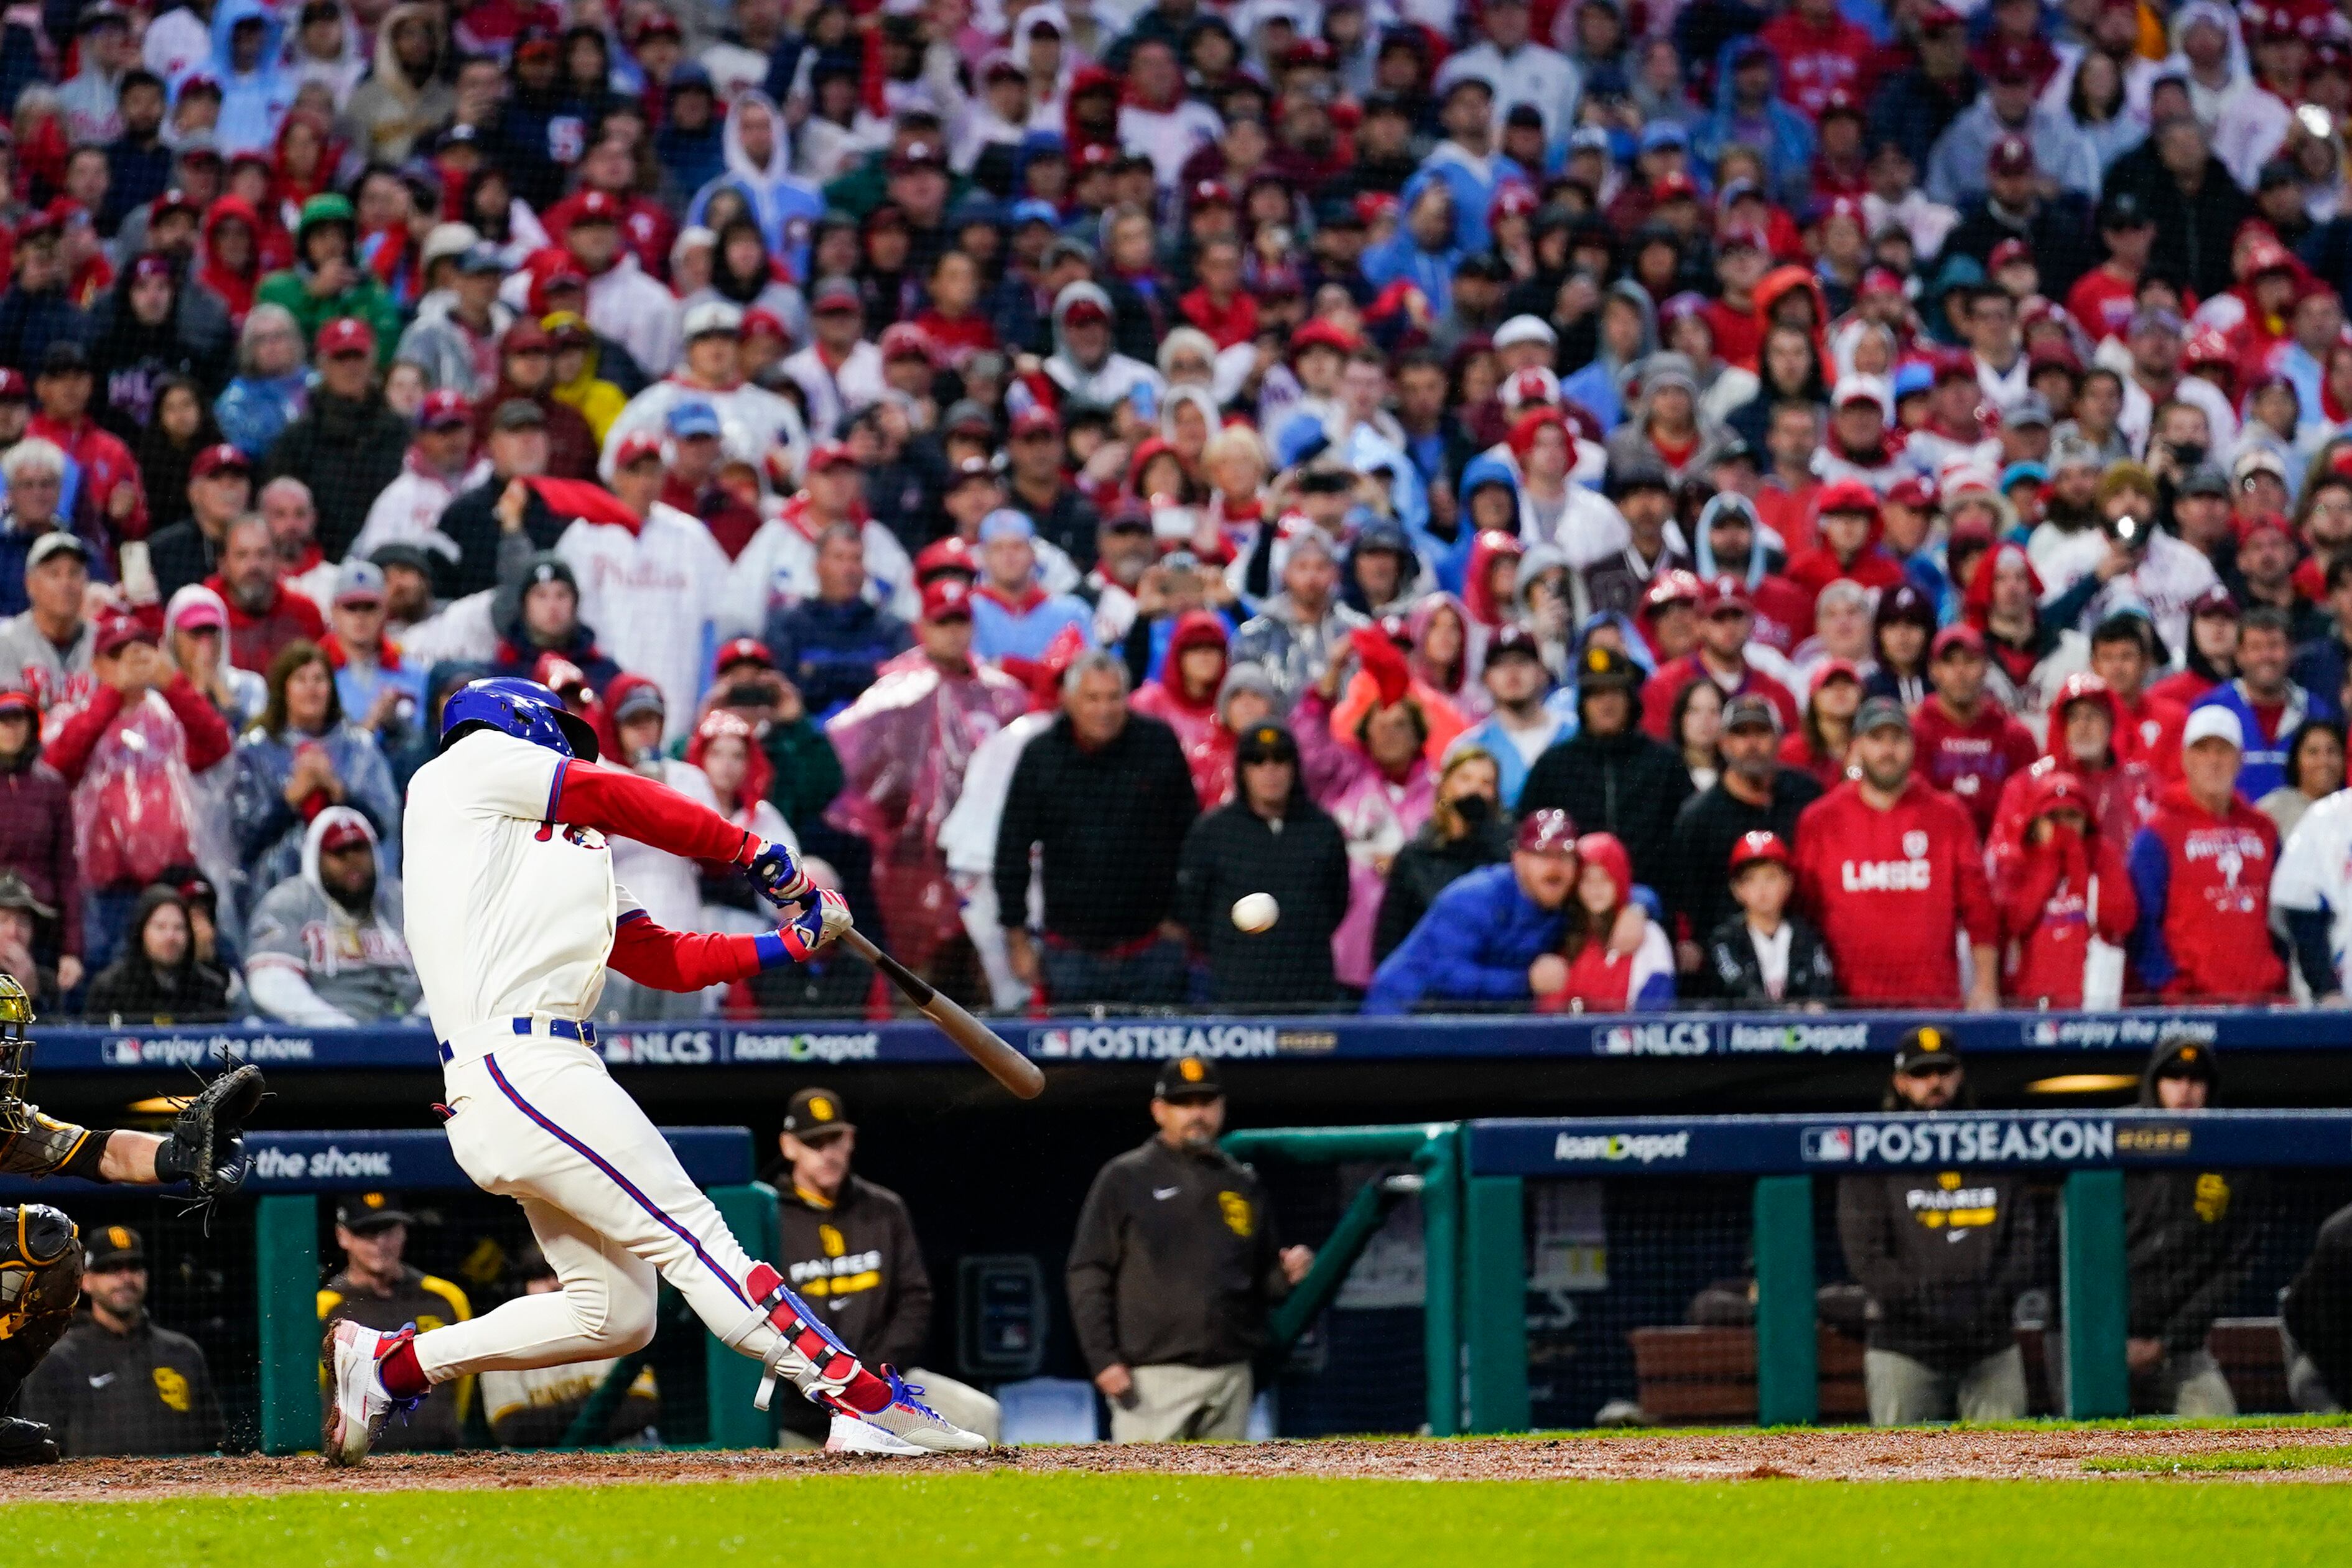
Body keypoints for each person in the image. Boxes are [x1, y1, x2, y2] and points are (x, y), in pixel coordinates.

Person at [326, 677, 979, 1462]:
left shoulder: (553, 855)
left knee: (615, 1314)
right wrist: (753, 850)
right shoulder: (465, 765)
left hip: (539, 1071)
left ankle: (391, 1367)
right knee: (698, 1237)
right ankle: (859, 1400)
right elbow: (617, 795)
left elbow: (662, 957)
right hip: (518, 1060)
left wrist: (789, 943)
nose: (569, 753)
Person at [0, 975, 263, 1467]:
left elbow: (98, 1150)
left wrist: (180, 1155)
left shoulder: (3, 1123)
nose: (4, 1054)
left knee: (48, 1243)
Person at [1065, 1055, 1313, 1443]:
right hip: (1151, 1379)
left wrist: (1287, 1275)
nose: (1197, 1113)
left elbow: (1261, 1282)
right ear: (1159, 1110)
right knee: (1145, 1481)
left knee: (1227, 1483)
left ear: (1221, 1107)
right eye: (1184, 1103)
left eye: (1206, 1102)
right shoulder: (1126, 1177)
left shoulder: (1241, 1182)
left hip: (1230, 1374)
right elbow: (1088, 1272)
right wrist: (1103, 1359)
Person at [770, 1088, 1002, 1448]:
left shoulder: (884, 1209)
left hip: (886, 1385)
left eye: (835, 1140)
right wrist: (825, 1380)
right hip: (802, 1402)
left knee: (980, 1414)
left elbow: (915, 1299)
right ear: (789, 1147)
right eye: (814, 1143)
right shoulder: (767, 1215)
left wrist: (868, 1376)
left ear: (850, 1140)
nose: (827, 1153)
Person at [1838, 1028, 2035, 1425]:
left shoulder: (1998, 1145)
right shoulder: (1871, 1153)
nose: (1934, 1082)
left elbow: (2024, 1246)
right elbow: (1867, 1258)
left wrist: (1981, 1306)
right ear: (1900, 1082)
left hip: (1989, 1344)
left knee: (2008, 1459)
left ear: (1959, 1075)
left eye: (1943, 1071)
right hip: (1905, 1347)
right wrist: (1934, 1308)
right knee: (1899, 1462)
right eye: (1921, 1073)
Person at [995, 652, 1199, 1006]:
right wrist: (1017, 938)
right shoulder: (1041, 756)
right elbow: (1012, 849)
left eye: (1113, 697)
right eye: (1093, 698)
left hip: (1153, 948)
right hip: (1069, 953)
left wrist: (1182, 915)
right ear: (1069, 700)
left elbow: (1192, 837)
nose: (1104, 710)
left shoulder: (1159, 744)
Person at [1793, 697, 1999, 1009]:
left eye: (1897, 739)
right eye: (1877, 739)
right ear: (1857, 746)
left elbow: (1979, 908)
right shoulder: (1820, 820)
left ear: (1913, 745)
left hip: (1933, 1004)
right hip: (1847, 1008)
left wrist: (1985, 985)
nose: (1888, 750)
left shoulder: (1949, 815)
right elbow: (1803, 912)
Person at [2122, 1035, 2259, 1417]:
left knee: (2219, 1423)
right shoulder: (2115, 1140)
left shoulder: (2229, 1158)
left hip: (2178, 1349)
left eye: (2196, 1080)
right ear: (2155, 1083)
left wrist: (2165, 1344)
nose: (2185, 1090)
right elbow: (2076, 1257)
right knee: (2087, 1439)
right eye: (2174, 1078)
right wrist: (2104, 1338)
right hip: (2094, 1344)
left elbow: (2231, 1269)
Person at [1172, 721, 1350, 1008]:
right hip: (1236, 993)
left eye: (1280, 760)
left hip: (1309, 993)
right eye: (1257, 761)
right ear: (1242, 770)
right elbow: (1192, 907)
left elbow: (1337, 901)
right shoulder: (1213, 831)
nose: (1270, 771)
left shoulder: (1322, 830)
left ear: (1294, 767)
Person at [17, 1225, 222, 1457]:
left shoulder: (183, 1352)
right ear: (85, 1281)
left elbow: (215, 1444)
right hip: (93, 1482)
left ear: (145, 1275)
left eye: (134, 1267)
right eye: (111, 1269)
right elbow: (39, 1456)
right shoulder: (57, 1360)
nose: (126, 1278)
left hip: (184, 1481)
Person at [2127, 707, 2287, 1002]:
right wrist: (2170, 987)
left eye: (2223, 750)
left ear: (2240, 759)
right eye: (2202, 750)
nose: (2213, 761)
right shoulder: (2159, 832)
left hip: (2261, 1000)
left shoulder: (2264, 830)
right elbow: (2141, 921)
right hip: (2192, 1005)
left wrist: (2278, 975)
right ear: (2185, 758)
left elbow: (2284, 915)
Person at [1666, 694, 1824, 983]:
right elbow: (1687, 905)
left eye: (1761, 732)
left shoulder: (1808, 796)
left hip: (1803, 959)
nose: (1751, 744)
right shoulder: (1698, 818)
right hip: (1726, 970)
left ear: (1779, 739)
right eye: (1740, 734)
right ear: (1723, 742)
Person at [1365, 809, 1584, 1013]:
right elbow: (1445, 976)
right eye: (1543, 855)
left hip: (1470, 1021)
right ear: (1518, 859)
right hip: (1403, 1013)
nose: (1555, 868)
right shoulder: (1477, 897)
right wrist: (1525, 981)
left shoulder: (1568, 905)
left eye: (1564, 857)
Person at [228, 640, 401, 898]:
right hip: (274, 894)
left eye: (319, 679)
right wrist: (291, 799)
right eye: (301, 679)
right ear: (283, 689)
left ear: (332, 688)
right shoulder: (254, 750)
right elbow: (244, 839)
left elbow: (385, 826)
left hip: (355, 893)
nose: (312, 689)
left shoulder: (360, 748)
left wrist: (337, 790)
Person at [1520, 646, 1690, 888]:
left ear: (1630, 699)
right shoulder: (1554, 765)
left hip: (1652, 896)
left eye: (1615, 692)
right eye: (1596, 694)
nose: (1606, 703)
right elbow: (1527, 835)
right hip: (1572, 897)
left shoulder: (1665, 763)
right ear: (1583, 703)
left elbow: (1685, 842)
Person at [317, 1193, 476, 1454]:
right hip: (355, 1461)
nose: (380, 1243)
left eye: (389, 1231)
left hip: (440, 1455)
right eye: (367, 1233)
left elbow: (464, 1382)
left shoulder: (446, 1298)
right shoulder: (325, 1306)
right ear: (343, 1236)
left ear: (404, 1231)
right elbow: (311, 1392)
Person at [245, 807, 421, 1026]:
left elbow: (447, 974)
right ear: (315, 859)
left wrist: (420, 1021)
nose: (353, 860)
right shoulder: (288, 902)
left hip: (409, 1033)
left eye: (359, 848)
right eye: (339, 852)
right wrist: (340, 1028)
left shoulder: (404, 901)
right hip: (325, 1038)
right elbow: (270, 983)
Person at [480, 1243, 662, 1448]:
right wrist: (598, 1408)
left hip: (622, 1456)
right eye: (540, 1276)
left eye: (563, 1273)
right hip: (542, 1465)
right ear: (521, 1288)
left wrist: (551, 1420)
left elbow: (641, 1408)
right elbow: (511, 1429)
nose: (555, 1284)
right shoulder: (502, 1342)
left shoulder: (615, 1324)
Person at [2190, 606, 2339, 802]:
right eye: (2256, 647)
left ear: (2291, 651)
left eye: (2274, 646)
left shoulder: (2316, 712)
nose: (2266, 656)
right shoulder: (2211, 709)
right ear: (2239, 654)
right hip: (2229, 821)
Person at [1910, 624, 2040, 841]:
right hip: (1933, 845)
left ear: (1986, 668)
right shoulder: (1915, 732)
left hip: (1999, 847)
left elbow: (2031, 808)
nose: (1960, 672)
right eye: (1950, 662)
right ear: (1933, 670)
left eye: (1969, 661)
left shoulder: (2015, 736)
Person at [1531, 832, 1675, 1011]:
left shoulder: (1649, 934)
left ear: (1619, 879)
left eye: (1605, 878)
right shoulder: (1562, 932)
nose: (1596, 888)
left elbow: (1657, 1009)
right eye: (1587, 880)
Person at [1703, 830, 1837, 1004]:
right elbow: (1737, 986)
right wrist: (1780, 1012)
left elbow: (1821, 983)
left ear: (1788, 883)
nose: (1762, 889)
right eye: (1750, 880)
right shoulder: (1725, 939)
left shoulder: (1806, 935)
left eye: (1771, 877)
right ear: (1737, 889)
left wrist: (1814, 1006)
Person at [80, 883, 231, 1024]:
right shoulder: (111, 988)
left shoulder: (209, 988)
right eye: (160, 927)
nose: (170, 937)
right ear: (141, 931)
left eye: (179, 928)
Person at [2257, 719, 2346, 844]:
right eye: (2313, 752)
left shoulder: (2347, 809)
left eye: (2332, 751)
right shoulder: (2273, 809)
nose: (2324, 761)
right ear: (2297, 761)